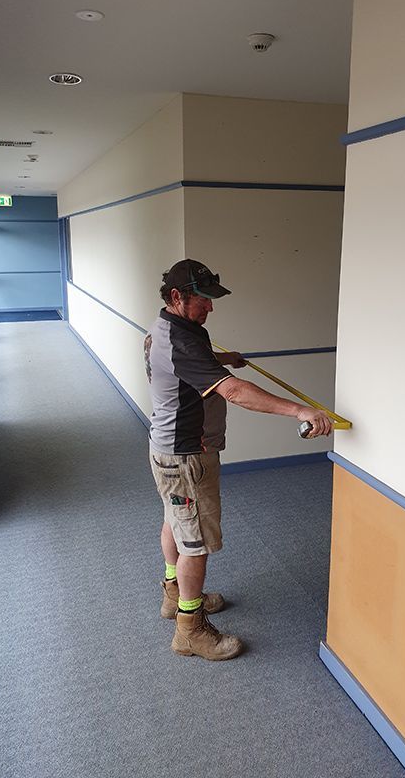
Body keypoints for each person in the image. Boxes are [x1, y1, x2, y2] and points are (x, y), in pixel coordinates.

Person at [144, 259, 332, 661]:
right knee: (195, 544)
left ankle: (174, 593)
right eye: (203, 299)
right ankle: (189, 629)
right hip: (186, 457)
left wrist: (219, 360)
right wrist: (299, 411)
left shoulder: (166, 329)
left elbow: (179, 365)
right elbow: (234, 392)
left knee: (174, 522)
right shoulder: (182, 341)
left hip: (166, 450)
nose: (210, 307)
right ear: (177, 296)